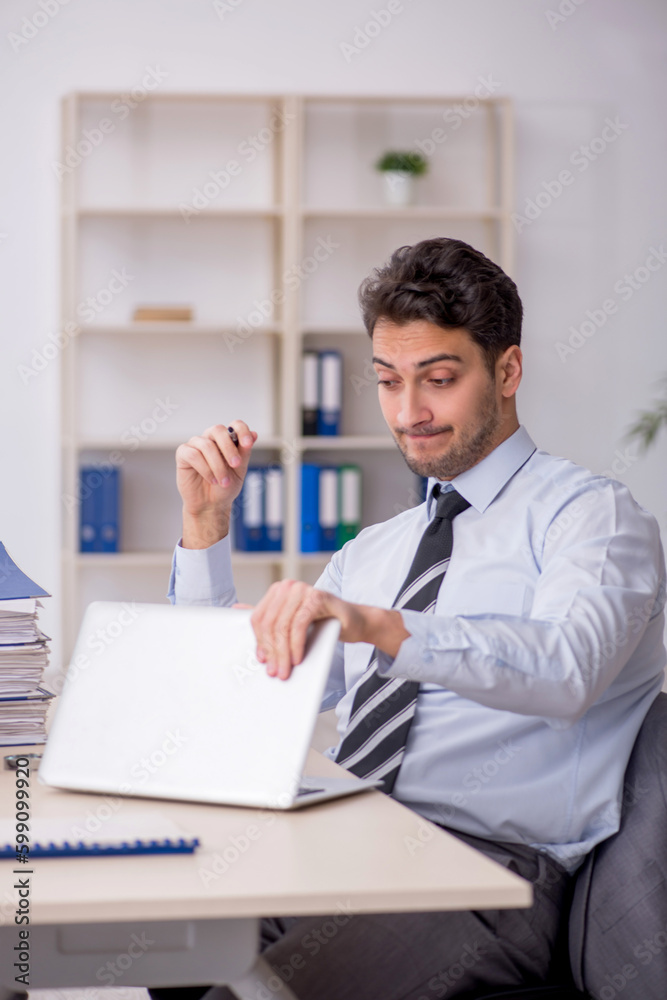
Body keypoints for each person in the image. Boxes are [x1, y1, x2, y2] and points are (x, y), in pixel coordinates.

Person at [153, 237, 666, 998]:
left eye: (438, 379)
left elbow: (565, 670)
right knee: (170, 937)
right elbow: (246, 695)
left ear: (508, 370)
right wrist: (204, 529)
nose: (408, 412)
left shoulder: (589, 517)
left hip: (486, 875)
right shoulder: (377, 549)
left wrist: (380, 627)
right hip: (339, 836)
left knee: (249, 983)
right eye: (388, 382)